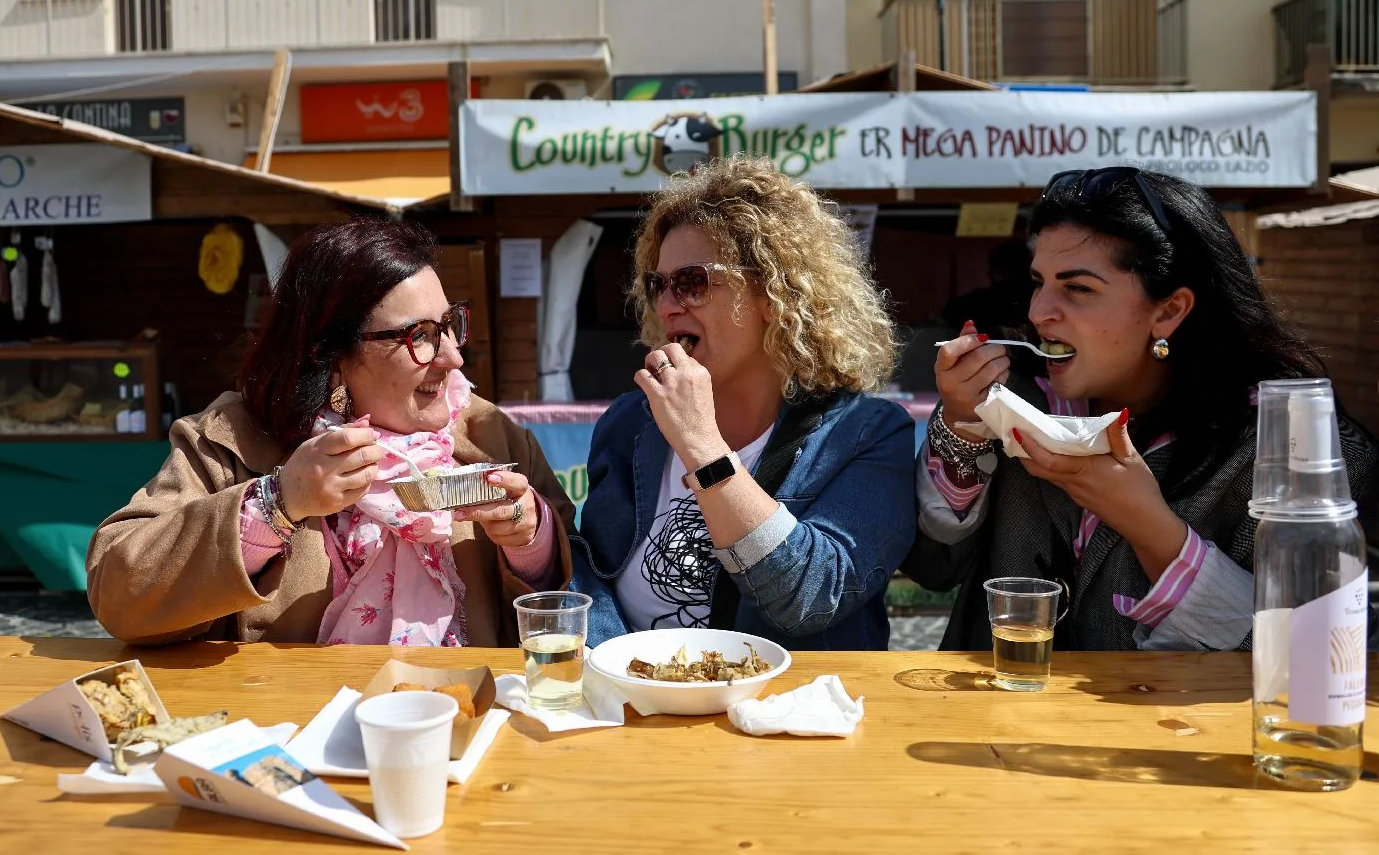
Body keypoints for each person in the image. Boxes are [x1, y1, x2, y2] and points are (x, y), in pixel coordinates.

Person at [907, 167, 1379, 651]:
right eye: (1038, 282)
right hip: (993, 700)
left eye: (1078, 288)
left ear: (1169, 311)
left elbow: (1318, 656)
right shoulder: (1011, 399)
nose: (1038, 311)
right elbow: (932, 565)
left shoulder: (1291, 447)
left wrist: (1150, 527)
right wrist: (962, 426)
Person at [88, 217, 575, 646]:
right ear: (332, 355)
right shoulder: (229, 441)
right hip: (293, 717)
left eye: (449, 325)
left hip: (461, 713)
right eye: (420, 336)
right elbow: (119, 598)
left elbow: (580, 597)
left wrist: (533, 543)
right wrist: (277, 505)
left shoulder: (491, 435)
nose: (452, 357)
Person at [570, 155, 917, 650]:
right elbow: (595, 572)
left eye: (691, 282)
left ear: (773, 294)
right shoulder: (630, 421)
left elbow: (810, 598)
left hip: (783, 698)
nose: (666, 305)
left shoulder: (866, 434)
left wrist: (701, 445)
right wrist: (622, 668)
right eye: (657, 284)